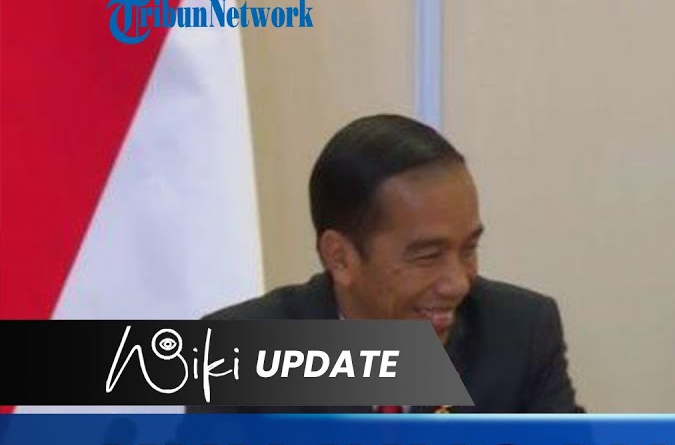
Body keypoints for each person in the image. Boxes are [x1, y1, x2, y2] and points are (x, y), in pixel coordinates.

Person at [195, 113, 582, 414]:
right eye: (428, 256)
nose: (458, 283)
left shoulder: (519, 333)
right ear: (340, 257)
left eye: (468, 248)